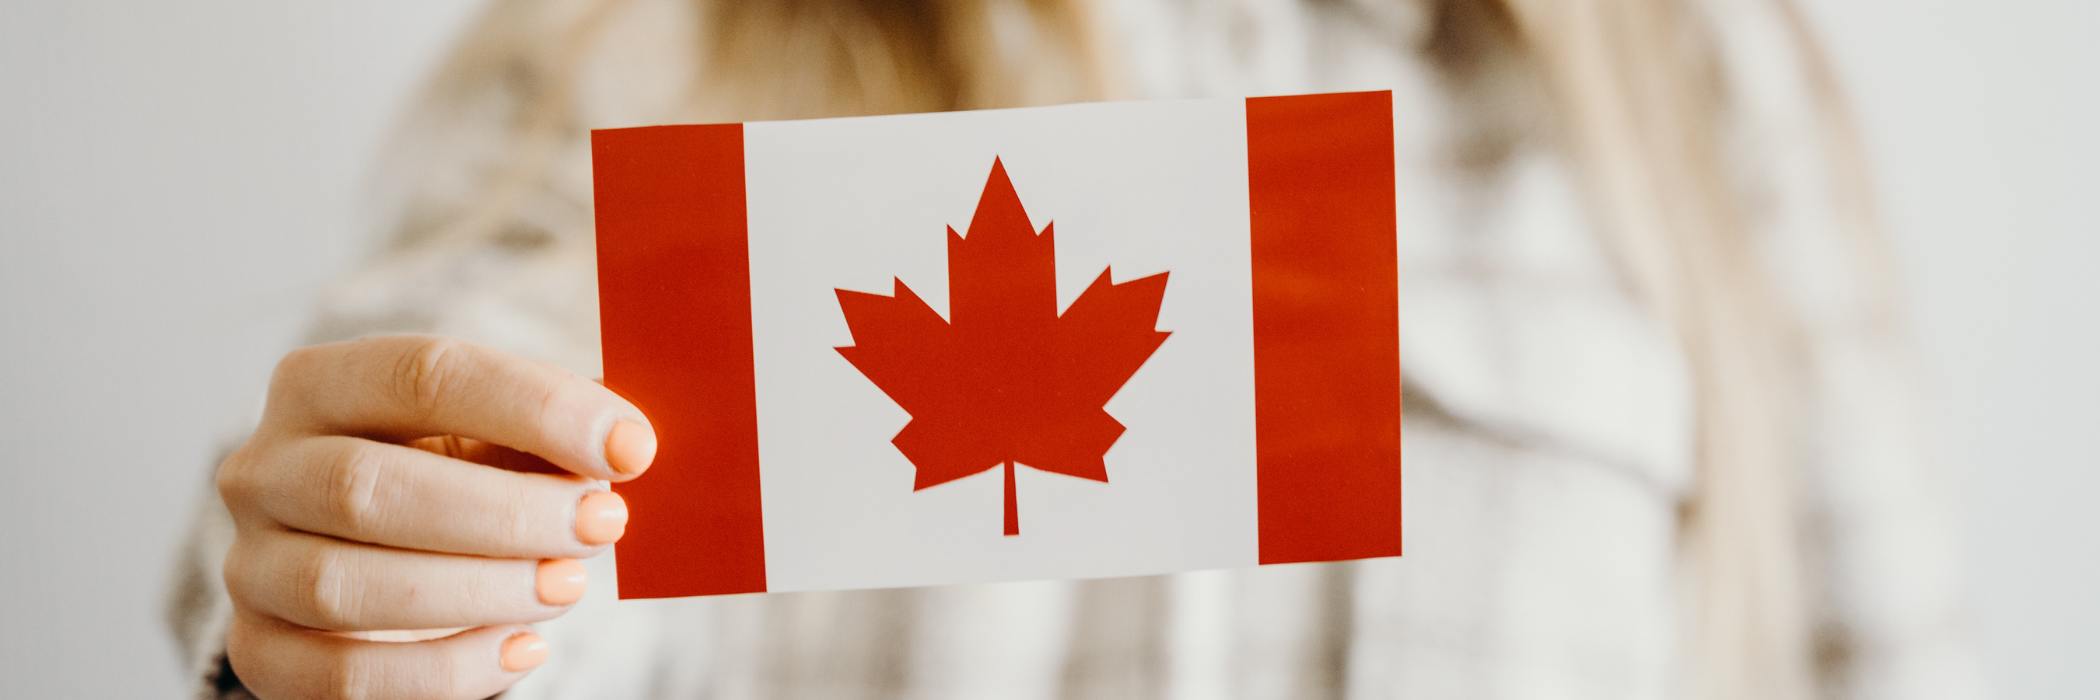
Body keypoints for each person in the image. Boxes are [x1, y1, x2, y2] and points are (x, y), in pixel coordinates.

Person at [167, 0, 1978, 698]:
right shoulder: (638, 59)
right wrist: (385, 585)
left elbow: (1879, 663)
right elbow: (474, 382)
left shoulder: (1688, 83)